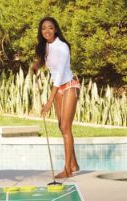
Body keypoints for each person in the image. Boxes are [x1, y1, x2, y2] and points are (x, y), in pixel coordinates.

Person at [32, 17, 80, 178]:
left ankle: (67, 170)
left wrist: (49, 101)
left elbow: (59, 74)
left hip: (68, 86)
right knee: (62, 126)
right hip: (58, 88)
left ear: (56, 30)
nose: (47, 31)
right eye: (43, 28)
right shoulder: (46, 46)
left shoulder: (62, 47)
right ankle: (73, 164)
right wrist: (36, 66)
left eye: (50, 28)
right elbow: (46, 63)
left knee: (66, 127)